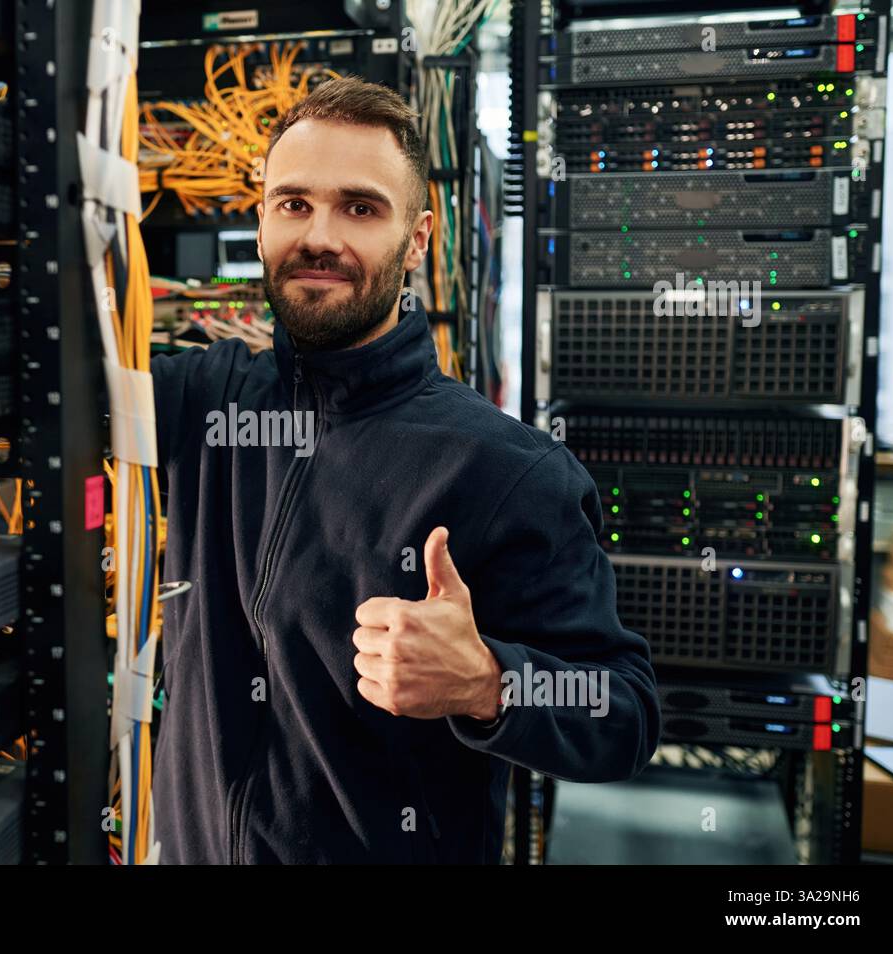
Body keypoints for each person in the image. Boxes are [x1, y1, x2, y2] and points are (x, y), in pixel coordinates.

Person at [150, 75, 659, 864]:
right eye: (294, 204)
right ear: (259, 225)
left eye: (360, 207)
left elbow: (624, 712)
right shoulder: (203, 401)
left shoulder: (504, 467)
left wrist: (490, 683)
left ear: (417, 239)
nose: (320, 235)